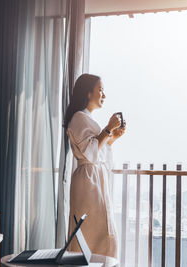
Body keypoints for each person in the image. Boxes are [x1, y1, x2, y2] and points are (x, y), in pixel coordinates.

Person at [64, 73, 126, 258]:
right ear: (88, 93)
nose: (104, 95)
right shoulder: (78, 118)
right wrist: (107, 129)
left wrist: (112, 137)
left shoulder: (85, 118)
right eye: (100, 90)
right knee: (95, 234)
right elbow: (90, 153)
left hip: (93, 179)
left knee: (101, 234)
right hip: (88, 181)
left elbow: (97, 151)